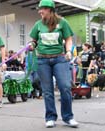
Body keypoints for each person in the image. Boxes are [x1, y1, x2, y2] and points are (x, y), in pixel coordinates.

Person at [29, 0, 78, 128]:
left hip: (59, 59)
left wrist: (68, 51)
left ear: (50, 10)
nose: (40, 11)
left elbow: (68, 38)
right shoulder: (38, 24)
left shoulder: (62, 23)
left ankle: (68, 117)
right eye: (39, 9)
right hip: (42, 60)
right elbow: (34, 41)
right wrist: (31, 45)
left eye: (42, 9)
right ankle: (50, 117)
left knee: (65, 87)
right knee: (48, 91)